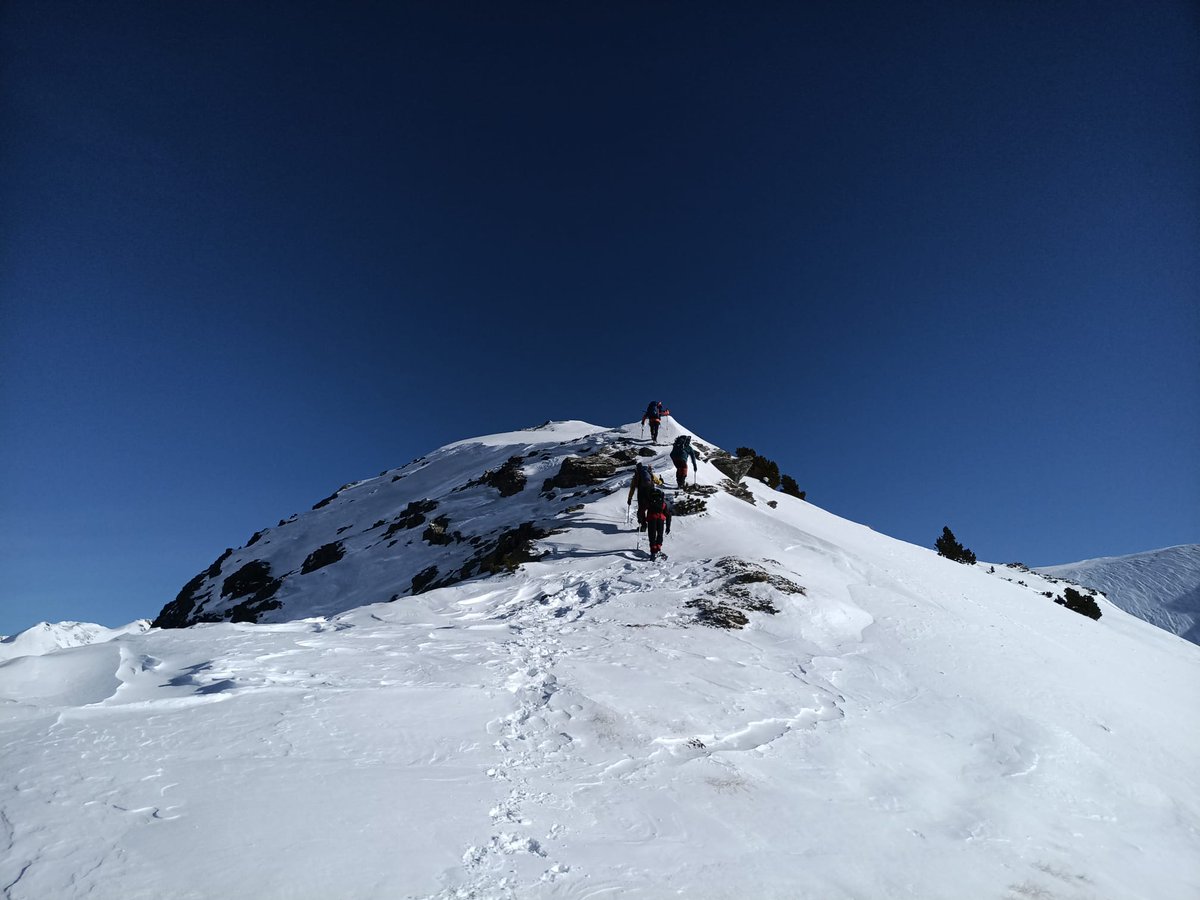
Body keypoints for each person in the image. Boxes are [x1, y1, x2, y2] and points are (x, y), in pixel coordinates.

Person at [626, 461, 660, 530]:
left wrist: (630, 498)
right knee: (651, 509)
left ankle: (643, 526)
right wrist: (661, 481)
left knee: (641, 511)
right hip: (651, 493)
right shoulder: (649, 473)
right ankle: (653, 524)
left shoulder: (637, 475)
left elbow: (632, 488)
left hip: (641, 495)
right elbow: (658, 482)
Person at [644, 485, 672, 560]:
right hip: (660, 519)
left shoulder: (649, 502)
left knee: (652, 535)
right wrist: (668, 526)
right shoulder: (663, 503)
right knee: (659, 534)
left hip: (651, 519)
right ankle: (658, 549)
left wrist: (642, 520)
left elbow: (642, 510)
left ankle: (653, 552)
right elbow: (668, 515)